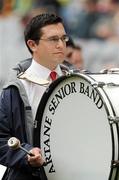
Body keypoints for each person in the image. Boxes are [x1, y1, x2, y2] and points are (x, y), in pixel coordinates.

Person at [0, 13, 69, 180]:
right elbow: (1, 140)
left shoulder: (77, 81)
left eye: (63, 38)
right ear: (32, 45)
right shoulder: (15, 88)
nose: (61, 45)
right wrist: (26, 156)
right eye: (53, 39)